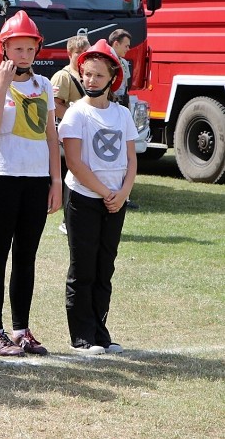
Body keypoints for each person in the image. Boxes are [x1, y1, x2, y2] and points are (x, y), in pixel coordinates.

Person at [0, 10, 62, 357]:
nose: (23, 55)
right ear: (4, 49)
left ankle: (21, 328)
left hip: (36, 178)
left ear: (36, 50)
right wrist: (1, 86)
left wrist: (56, 180)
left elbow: (51, 135)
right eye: (16, 48)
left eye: (29, 49)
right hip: (1, 177)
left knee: (26, 256)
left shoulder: (43, 85)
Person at [58, 39, 136, 355]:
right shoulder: (76, 113)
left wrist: (123, 193)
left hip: (115, 201)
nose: (91, 80)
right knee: (83, 268)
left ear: (111, 79)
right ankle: (82, 337)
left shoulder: (122, 115)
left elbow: (132, 161)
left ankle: (101, 332)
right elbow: (75, 162)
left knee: (105, 267)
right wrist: (106, 193)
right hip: (84, 199)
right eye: (87, 74)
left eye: (98, 76)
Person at [52, 35, 90, 235]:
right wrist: (76, 120)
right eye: (79, 52)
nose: (83, 56)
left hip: (84, 134)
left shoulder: (87, 74)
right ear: (69, 54)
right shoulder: (63, 76)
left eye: (86, 52)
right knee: (71, 175)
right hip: (69, 134)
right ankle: (68, 220)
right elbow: (55, 104)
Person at [107, 28, 139, 209]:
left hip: (121, 109)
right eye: (125, 45)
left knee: (123, 156)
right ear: (116, 43)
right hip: (110, 110)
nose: (128, 49)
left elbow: (125, 88)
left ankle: (124, 195)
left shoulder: (123, 63)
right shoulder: (106, 61)